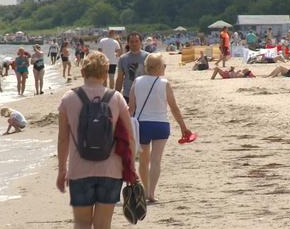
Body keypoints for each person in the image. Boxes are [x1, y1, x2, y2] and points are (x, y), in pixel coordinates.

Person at [56, 51, 134, 229]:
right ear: (106, 73)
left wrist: (62, 170)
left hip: (79, 170)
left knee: (82, 224)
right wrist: (131, 168)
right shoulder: (116, 98)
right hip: (111, 170)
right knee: (103, 225)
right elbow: (129, 136)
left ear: (83, 72)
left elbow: (63, 139)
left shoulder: (68, 99)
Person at [128, 53, 191, 202]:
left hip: (142, 124)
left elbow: (131, 108)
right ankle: (151, 193)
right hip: (161, 125)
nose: (165, 67)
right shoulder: (164, 83)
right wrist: (183, 126)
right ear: (157, 67)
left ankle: (145, 189)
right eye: (164, 65)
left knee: (144, 161)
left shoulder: (137, 81)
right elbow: (174, 107)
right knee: (156, 160)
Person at [115, 32, 149, 103]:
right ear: (128, 43)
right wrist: (116, 95)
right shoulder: (123, 58)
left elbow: (153, 75)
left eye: (136, 41)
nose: (134, 44)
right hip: (128, 94)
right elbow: (120, 78)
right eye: (131, 42)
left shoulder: (148, 57)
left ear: (141, 42)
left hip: (144, 94)